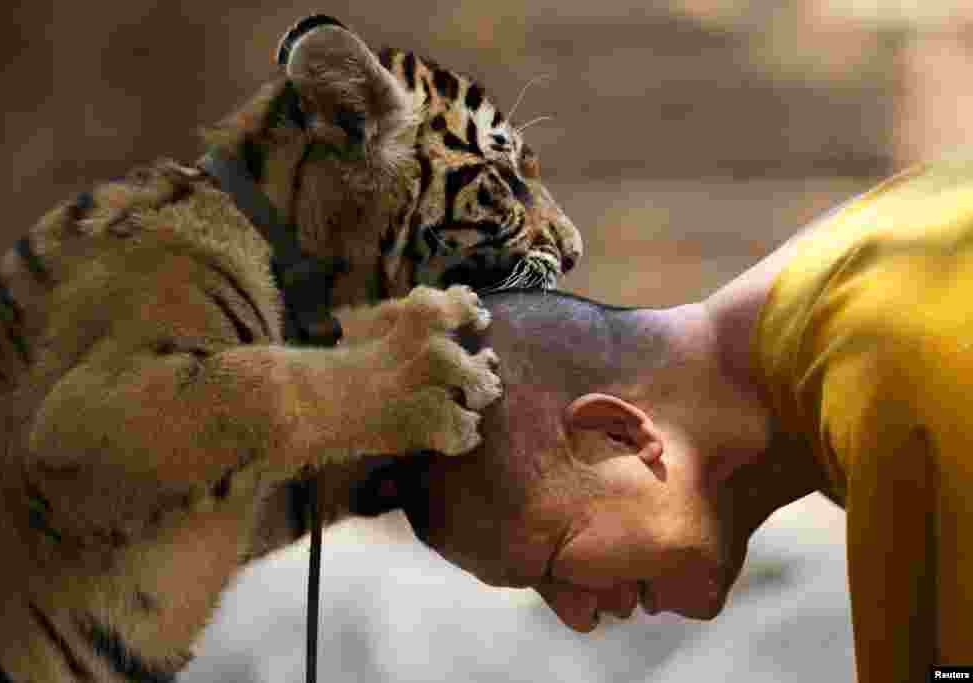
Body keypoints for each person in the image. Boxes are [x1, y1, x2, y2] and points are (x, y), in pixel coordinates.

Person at [371, 159, 973, 682]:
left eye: (553, 566)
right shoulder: (862, 278)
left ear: (618, 433)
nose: (580, 619)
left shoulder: (901, 370)